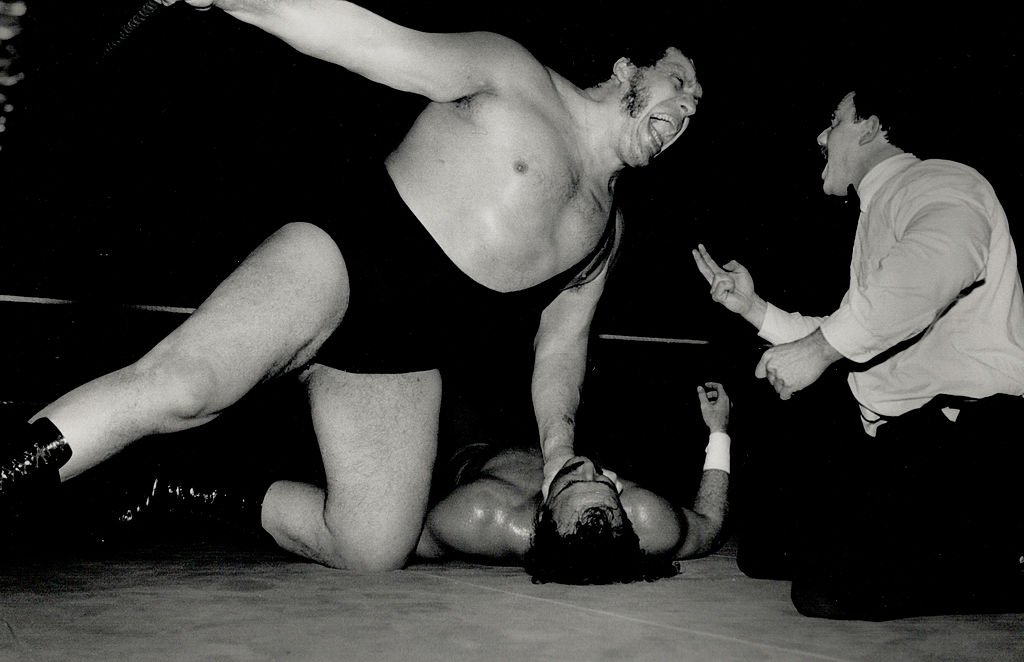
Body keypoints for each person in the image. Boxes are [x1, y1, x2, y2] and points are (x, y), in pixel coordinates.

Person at [0, 0, 701, 571]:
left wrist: (556, 453)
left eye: (696, 108)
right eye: (682, 81)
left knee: (372, 549)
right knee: (185, 389)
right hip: (346, 261)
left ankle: (168, 487)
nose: (690, 106)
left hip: (404, 350)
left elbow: (561, 352)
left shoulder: (606, 230)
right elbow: (366, 40)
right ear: (627, 68)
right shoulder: (514, 75)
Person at [692, 75, 1024, 619]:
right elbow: (860, 327)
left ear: (870, 126)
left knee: (829, 589)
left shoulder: (938, 180)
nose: (822, 139)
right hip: (907, 440)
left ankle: (1010, 561)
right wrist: (753, 309)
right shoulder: (881, 209)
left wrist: (820, 351)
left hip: (980, 433)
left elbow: (934, 266)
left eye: (834, 122)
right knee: (767, 554)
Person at [415, 382, 731, 584]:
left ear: (542, 515)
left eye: (571, 483)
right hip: (572, 424)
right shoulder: (647, 518)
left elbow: (405, 540)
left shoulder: (480, 515)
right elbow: (711, 526)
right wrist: (719, 431)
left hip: (479, 441)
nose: (589, 468)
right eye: (606, 483)